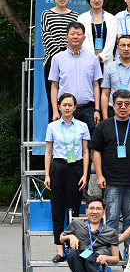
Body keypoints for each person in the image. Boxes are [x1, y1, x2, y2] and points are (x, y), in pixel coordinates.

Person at [91, 91, 130, 231]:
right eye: (119, 103)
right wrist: (99, 176)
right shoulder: (103, 126)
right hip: (111, 180)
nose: (123, 107)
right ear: (113, 106)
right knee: (112, 218)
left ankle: (129, 246)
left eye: (127, 104)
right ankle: (112, 246)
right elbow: (96, 152)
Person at [44, 94, 91, 263]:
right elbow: (48, 152)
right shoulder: (52, 126)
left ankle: (73, 248)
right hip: (58, 167)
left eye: (70, 105)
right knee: (57, 209)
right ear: (59, 106)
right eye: (64, 105)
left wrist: (85, 174)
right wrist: (47, 175)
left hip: (75, 168)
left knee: (73, 209)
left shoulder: (82, 126)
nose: (67, 108)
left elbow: (86, 152)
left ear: (75, 107)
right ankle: (59, 250)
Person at [61, 198, 120, 272]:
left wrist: (105, 257)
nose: (94, 211)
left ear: (104, 212)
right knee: (72, 254)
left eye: (98, 209)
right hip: (81, 254)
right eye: (91, 208)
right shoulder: (76, 224)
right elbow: (61, 238)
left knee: (90, 258)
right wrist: (70, 236)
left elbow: (116, 258)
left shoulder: (111, 232)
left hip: (98, 255)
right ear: (86, 210)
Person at [49, 22, 103, 129]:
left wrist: (97, 110)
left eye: (79, 34)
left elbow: (96, 85)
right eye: (72, 33)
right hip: (66, 110)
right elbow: (54, 86)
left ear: (84, 38)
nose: (75, 36)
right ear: (67, 37)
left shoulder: (93, 59)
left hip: (88, 110)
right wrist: (55, 111)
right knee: (66, 139)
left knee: (89, 139)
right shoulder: (57, 59)